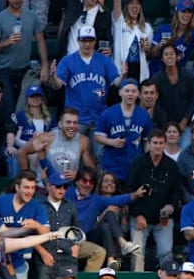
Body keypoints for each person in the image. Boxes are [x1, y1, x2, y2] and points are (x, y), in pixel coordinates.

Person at [49, 25, 125, 164]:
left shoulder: (104, 60)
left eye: (90, 40)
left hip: (99, 117)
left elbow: (116, 83)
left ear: (95, 41)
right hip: (76, 119)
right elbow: (57, 85)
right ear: (78, 41)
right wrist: (53, 76)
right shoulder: (68, 61)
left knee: (100, 157)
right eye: (84, 40)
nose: (87, 44)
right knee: (71, 157)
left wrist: (124, 75)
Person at [0, 170, 51, 279]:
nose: (30, 191)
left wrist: (36, 225)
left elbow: (46, 232)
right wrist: (22, 230)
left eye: (32, 188)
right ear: (17, 187)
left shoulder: (37, 206)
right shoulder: (2, 201)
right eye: (26, 187)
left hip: (18, 260)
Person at [34, 173, 106, 279]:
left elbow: (76, 229)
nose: (61, 190)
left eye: (64, 187)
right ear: (49, 186)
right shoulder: (38, 206)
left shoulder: (70, 206)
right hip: (47, 250)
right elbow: (31, 234)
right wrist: (43, 253)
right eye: (58, 186)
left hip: (67, 251)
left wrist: (76, 245)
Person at [66, 167, 146, 270]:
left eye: (91, 182)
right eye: (85, 181)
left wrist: (135, 195)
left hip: (98, 238)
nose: (87, 184)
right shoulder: (68, 193)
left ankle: (120, 248)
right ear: (76, 181)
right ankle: (116, 252)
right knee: (106, 219)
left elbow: (119, 199)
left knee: (107, 221)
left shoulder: (96, 199)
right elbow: (55, 183)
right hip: (75, 236)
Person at [126, 129, 183, 272]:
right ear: (149, 144)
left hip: (163, 217)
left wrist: (171, 205)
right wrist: (138, 214)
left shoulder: (171, 165)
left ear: (164, 145)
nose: (158, 146)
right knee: (137, 252)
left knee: (166, 253)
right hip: (141, 215)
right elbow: (130, 191)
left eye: (161, 143)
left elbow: (177, 191)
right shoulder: (138, 164)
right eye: (155, 143)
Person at [0, 0, 49, 112]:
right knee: (8, 106)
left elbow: (40, 41)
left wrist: (45, 66)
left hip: (24, 68)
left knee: (24, 107)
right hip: (4, 69)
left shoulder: (32, 16)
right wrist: (7, 42)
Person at [95, 78, 153, 181]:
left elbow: (147, 141)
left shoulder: (144, 115)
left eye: (133, 91)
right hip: (112, 166)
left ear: (138, 94)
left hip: (135, 166)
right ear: (120, 92)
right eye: (127, 91)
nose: (130, 94)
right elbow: (98, 136)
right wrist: (112, 142)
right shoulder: (108, 113)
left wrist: (147, 162)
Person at [17, 108, 96, 183]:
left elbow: (91, 170)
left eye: (75, 123)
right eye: (68, 122)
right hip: (46, 186)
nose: (72, 126)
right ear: (60, 124)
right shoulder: (46, 138)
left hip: (69, 187)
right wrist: (26, 179)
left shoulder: (83, 141)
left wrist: (78, 175)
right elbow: (21, 152)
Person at [149, 0, 194, 76]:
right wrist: (159, 47)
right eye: (183, 11)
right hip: (157, 73)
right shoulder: (163, 29)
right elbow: (151, 54)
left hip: (177, 75)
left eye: (189, 12)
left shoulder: (192, 33)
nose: (186, 15)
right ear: (177, 13)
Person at [150, 45, 194, 149]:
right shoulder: (157, 78)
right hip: (165, 126)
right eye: (166, 54)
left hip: (185, 124)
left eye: (172, 54)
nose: (169, 57)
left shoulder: (188, 76)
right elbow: (154, 102)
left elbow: (193, 101)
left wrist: (184, 122)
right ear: (162, 58)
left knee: (185, 149)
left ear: (177, 57)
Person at [11, 85, 57, 182]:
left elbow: (55, 136)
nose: (35, 99)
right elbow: (15, 139)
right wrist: (30, 144)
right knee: (34, 156)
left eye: (38, 96)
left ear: (42, 98)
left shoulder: (50, 116)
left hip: (47, 148)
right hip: (27, 149)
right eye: (32, 97)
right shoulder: (20, 115)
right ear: (27, 99)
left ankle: (51, 182)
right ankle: (33, 182)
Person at [111, 0, 153, 82]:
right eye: (131, 3)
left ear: (140, 7)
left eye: (137, 3)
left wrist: (147, 49)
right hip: (123, 68)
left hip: (139, 70)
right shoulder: (120, 23)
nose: (134, 6)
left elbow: (148, 54)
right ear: (126, 6)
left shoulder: (147, 28)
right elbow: (117, 2)